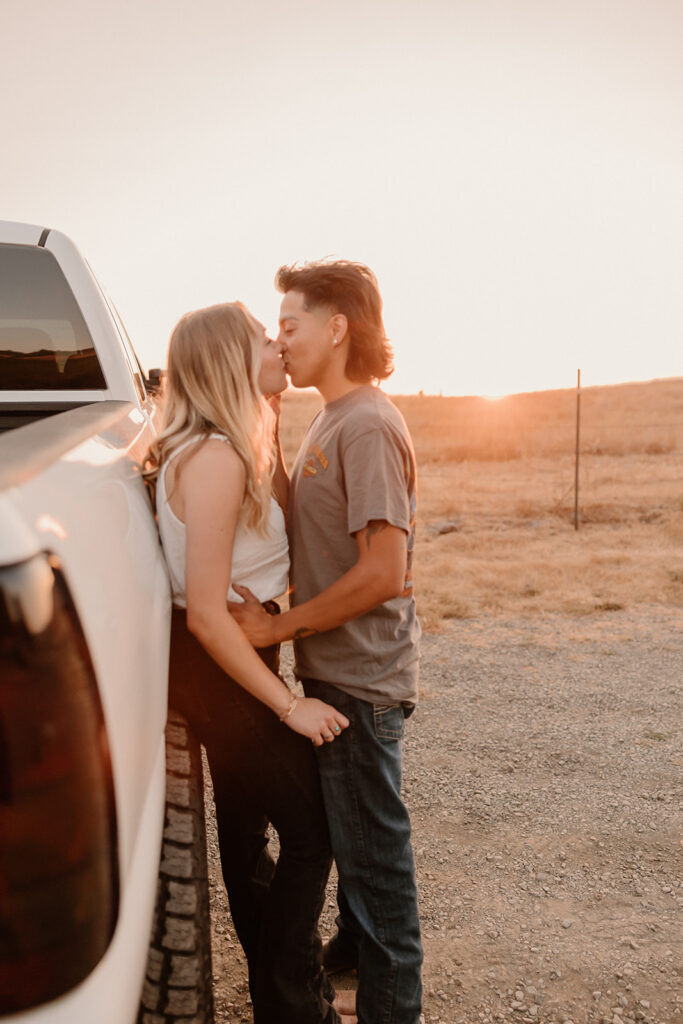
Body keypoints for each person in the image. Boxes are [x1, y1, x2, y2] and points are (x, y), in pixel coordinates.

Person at [143, 302, 355, 1024]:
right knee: (310, 829)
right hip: (213, 666)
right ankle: (293, 1002)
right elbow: (204, 609)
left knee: (244, 830)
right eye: (261, 337)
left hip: (220, 657)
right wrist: (287, 704)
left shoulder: (235, 442)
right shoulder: (214, 458)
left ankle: (282, 993)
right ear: (229, 361)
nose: (277, 340)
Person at [230, 263, 423, 1024]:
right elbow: (307, 529)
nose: (280, 340)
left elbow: (383, 571)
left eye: (290, 325)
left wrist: (275, 627)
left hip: (360, 686)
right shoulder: (329, 419)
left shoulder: (368, 422)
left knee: (378, 885)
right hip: (334, 675)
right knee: (355, 874)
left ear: (336, 327)